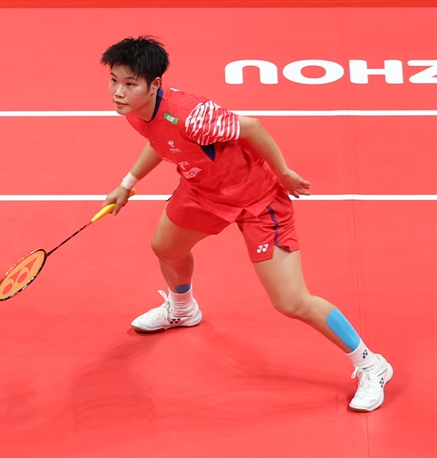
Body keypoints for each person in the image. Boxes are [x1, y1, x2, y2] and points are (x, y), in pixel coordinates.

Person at [100, 36, 390, 411]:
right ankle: (183, 309)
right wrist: (127, 184)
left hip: (257, 201)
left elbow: (250, 126)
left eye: (129, 83)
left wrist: (282, 173)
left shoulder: (193, 115)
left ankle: (371, 364)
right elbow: (160, 142)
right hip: (203, 191)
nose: (118, 93)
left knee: (291, 302)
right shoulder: (138, 112)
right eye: (114, 81)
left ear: (154, 84)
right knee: (166, 247)